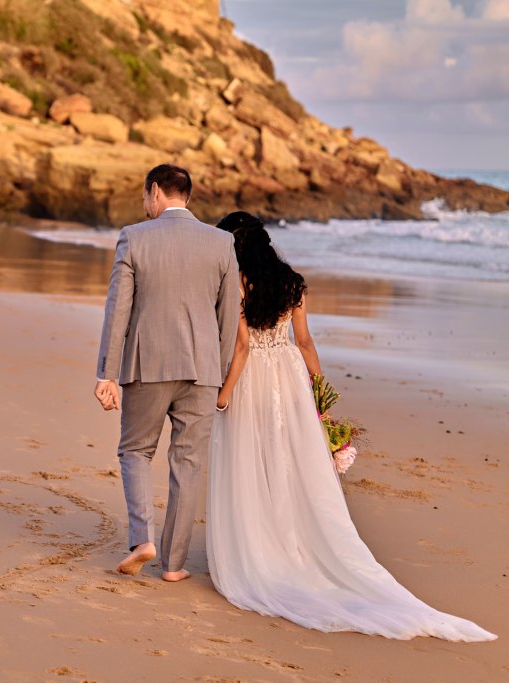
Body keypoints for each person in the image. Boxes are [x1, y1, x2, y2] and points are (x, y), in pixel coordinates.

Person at [206, 211, 496, 641]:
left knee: (253, 458)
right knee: (289, 458)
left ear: (235, 245)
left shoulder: (235, 284)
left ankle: (264, 544)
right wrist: (318, 395)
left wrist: (224, 392)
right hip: (288, 375)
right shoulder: (293, 283)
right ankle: (293, 542)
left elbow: (243, 347)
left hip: (252, 378)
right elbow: (304, 341)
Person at [94, 164, 240, 582]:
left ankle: (143, 539)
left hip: (148, 363)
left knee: (136, 450)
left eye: (145, 195)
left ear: (155, 191)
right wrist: (221, 371)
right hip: (204, 369)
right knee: (187, 463)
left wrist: (106, 373)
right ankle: (174, 566)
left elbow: (117, 309)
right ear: (187, 196)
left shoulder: (134, 237)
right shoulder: (222, 242)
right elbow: (228, 316)